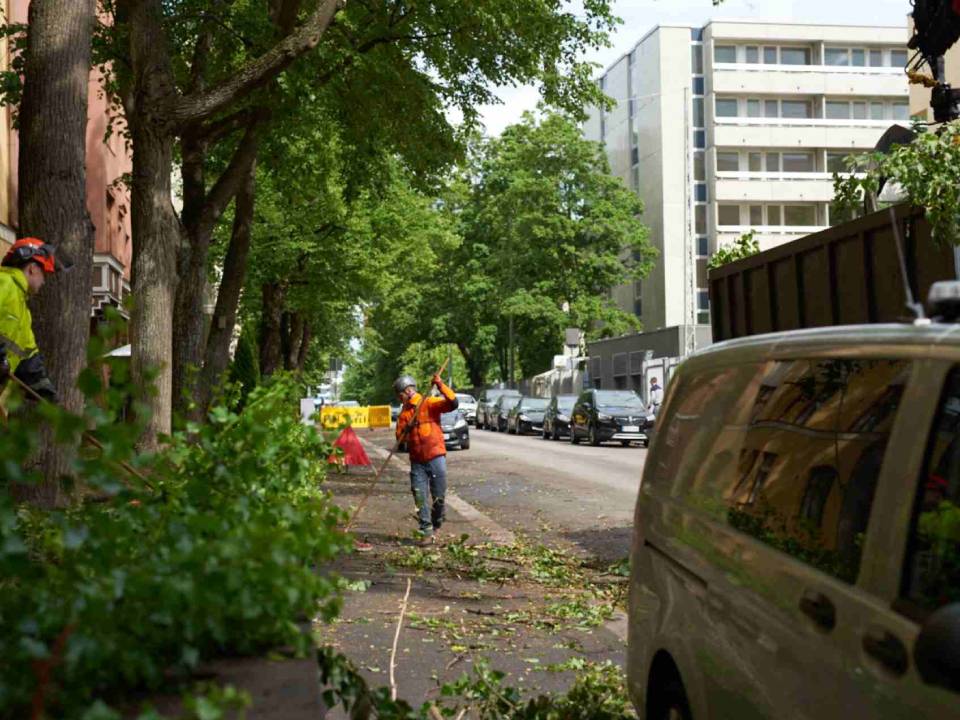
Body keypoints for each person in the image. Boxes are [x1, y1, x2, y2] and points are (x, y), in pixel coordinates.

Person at [394, 372, 458, 543]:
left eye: (400, 396)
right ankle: (426, 529)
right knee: (419, 494)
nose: (400, 400)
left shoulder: (428, 403)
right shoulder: (404, 414)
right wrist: (405, 431)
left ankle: (437, 519)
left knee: (438, 496)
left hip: (436, 456)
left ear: (407, 392)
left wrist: (440, 385)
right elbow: (399, 439)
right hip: (417, 462)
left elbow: (453, 403)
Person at [0, 238, 61, 417]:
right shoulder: (4, 283)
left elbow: (28, 359)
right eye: (44, 274)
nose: (44, 281)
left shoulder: (23, 311)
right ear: (32, 268)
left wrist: (48, 394)